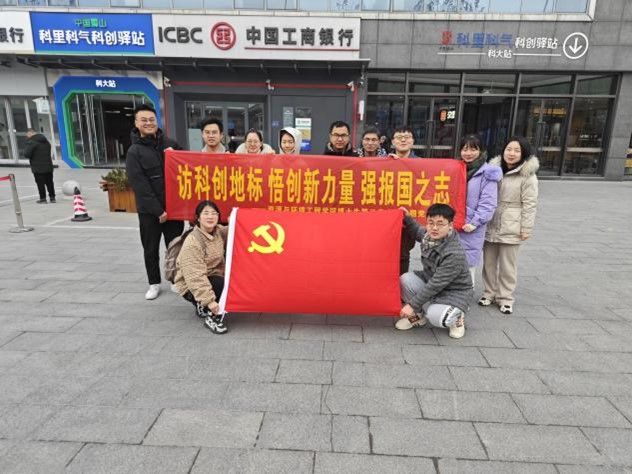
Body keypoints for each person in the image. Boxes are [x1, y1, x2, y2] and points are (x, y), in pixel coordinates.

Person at [126, 104, 184, 300]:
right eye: (144, 120)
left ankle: (175, 279)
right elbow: (139, 184)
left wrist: (176, 155)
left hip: (173, 210)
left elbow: (188, 167)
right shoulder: (134, 151)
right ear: (136, 123)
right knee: (150, 249)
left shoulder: (170, 143)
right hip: (150, 212)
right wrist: (158, 211)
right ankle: (154, 283)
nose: (148, 123)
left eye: (151, 119)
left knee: (174, 247)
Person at [479, 136, 539, 315]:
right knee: (489, 263)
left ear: (523, 153)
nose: (511, 153)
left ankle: (505, 298)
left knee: (508, 266)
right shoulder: (492, 170)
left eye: (517, 150)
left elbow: (530, 204)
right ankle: (489, 293)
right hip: (491, 221)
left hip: (512, 224)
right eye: (509, 149)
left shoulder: (528, 176)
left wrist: (526, 228)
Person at [396, 203, 473, 339]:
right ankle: (418, 317)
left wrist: (411, 305)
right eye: (431, 223)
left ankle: (457, 318)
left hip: (454, 292)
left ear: (450, 225)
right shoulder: (428, 237)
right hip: (430, 280)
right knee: (404, 280)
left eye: (440, 224)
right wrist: (407, 217)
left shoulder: (454, 253)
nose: (435, 228)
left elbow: (435, 285)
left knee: (435, 316)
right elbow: (417, 230)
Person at [173, 200, 228, 334]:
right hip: (190, 284)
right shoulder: (193, 242)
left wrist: (237, 220)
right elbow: (195, 277)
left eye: (214, 213)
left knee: (225, 281)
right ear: (198, 218)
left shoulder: (218, 231)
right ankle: (212, 317)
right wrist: (210, 301)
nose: (210, 217)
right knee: (221, 285)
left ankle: (201, 305)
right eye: (206, 213)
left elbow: (234, 230)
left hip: (212, 274)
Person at [457, 135, 502, 286]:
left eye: (473, 149)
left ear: (481, 151)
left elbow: (488, 203)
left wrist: (475, 222)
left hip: (470, 226)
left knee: (468, 263)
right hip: (453, 224)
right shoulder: (456, 168)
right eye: (465, 149)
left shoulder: (487, 173)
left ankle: (465, 294)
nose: (468, 153)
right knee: (450, 262)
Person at [388, 126, 418, 274]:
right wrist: (388, 162)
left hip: (409, 216)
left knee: (403, 254)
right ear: (393, 142)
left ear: (412, 141)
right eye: (399, 137)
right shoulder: (385, 161)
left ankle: (402, 285)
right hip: (388, 215)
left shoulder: (422, 164)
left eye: (407, 137)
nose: (403, 140)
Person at [24, 128, 55, 203]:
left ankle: (43, 199)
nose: (27, 137)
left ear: (30, 133)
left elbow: (26, 154)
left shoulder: (31, 142)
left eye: (27, 135)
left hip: (38, 167)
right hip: (48, 166)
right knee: (50, 182)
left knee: (40, 184)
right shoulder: (46, 141)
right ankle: (52, 198)